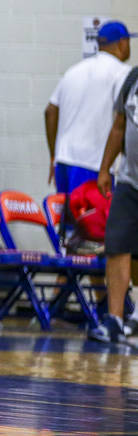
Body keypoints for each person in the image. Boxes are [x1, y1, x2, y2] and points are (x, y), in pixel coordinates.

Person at [45, 21, 133, 195]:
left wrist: (53, 155)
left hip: (64, 162)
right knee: (94, 221)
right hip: (94, 165)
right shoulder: (122, 73)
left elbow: (50, 111)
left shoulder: (74, 70)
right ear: (122, 44)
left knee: (69, 221)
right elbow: (123, 121)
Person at [91, 66, 138, 343]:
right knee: (117, 244)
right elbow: (119, 126)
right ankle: (115, 320)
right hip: (130, 180)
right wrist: (104, 168)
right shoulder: (132, 80)